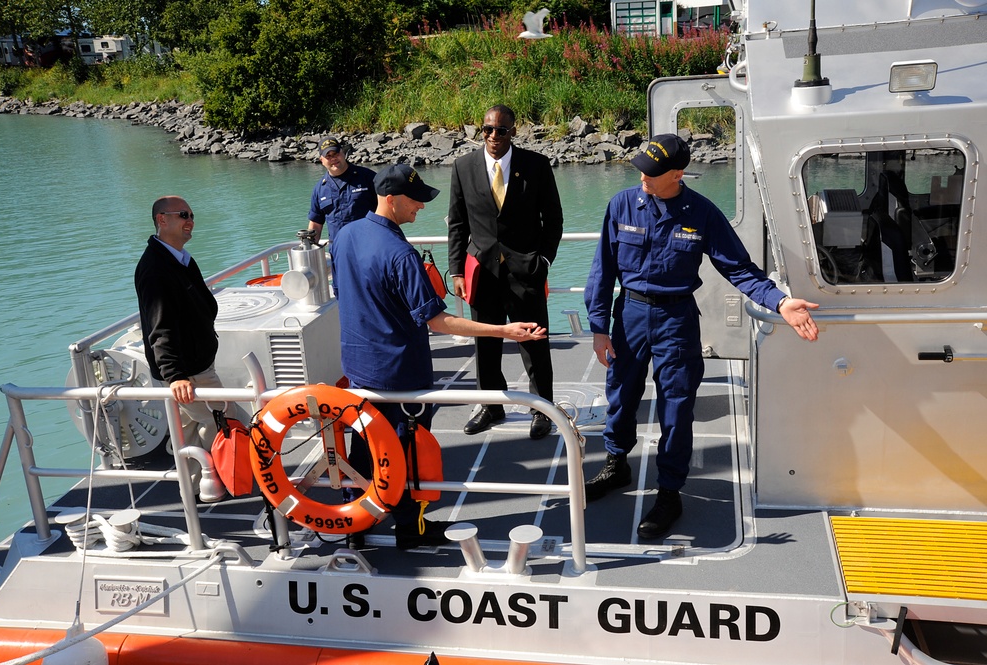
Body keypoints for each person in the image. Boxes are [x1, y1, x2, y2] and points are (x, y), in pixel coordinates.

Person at [583, 134, 821, 539]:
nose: (643, 175)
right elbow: (602, 270)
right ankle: (616, 461)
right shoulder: (622, 204)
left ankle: (669, 491)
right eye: (641, 167)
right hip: (630, 315)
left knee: (676, 406)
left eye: (653, 172)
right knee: (621, 394)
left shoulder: (702, 213)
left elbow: (739, 268)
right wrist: (599, 328)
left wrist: (780, 302)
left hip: (676, 319)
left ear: (677, 174)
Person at [331, 164, 547, 549]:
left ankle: (355, 526)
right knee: (407, 456)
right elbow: (439, 322)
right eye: (415, 200)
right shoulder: (401, 255)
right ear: (392, 199)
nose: (421, 208)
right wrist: (503, 331)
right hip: (401, 375)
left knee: (363, 449)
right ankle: (409, 529)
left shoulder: (345, 235)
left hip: (359, 368)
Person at [447, 104, 564, 440]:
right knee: (485, 342)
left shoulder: (536, 166)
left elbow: (553, 220)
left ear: (514, 131)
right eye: (487, 129)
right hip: (482, 271)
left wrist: (544, 261)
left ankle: (542, 407)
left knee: (534, 341)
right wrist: (456, 270)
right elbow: (457, 223)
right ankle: (490, 406)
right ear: (479, 130)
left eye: (501, 130)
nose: (493, 136)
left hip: (526, 269)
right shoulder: (463, 167)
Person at [135, 196, 228, 455]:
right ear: (161, 220)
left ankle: (197, 487)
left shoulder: (180, 259)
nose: (190, 221)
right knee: (219, 420)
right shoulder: (156, 268)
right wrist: (175, 376)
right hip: (189, 371)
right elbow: (159, 326)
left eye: (191, 215)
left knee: (187, 429)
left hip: (196, 365)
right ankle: (221, 481)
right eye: (183, 215)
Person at [306, 136, 377, 243]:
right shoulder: (319, 189)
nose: (333, 158)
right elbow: (316, 223)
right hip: (339, 252)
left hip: (370, 246)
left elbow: (387, 209)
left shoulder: (368, 177)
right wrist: (309, 247)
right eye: (328, 156)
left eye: (336, 153)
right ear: (322, 160)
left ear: (343, 153)